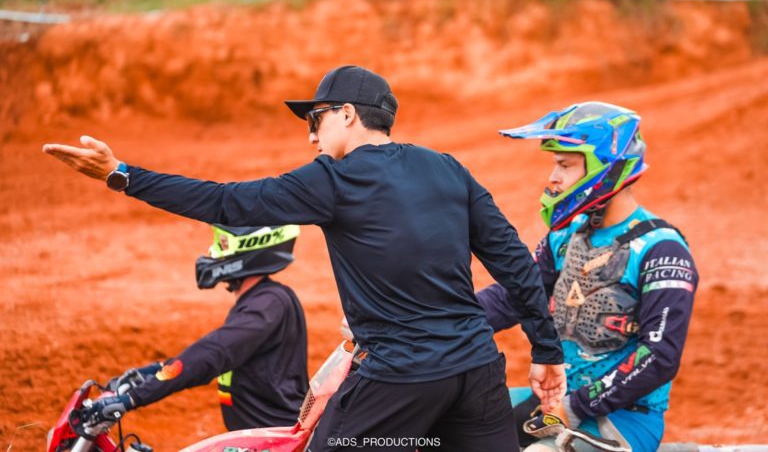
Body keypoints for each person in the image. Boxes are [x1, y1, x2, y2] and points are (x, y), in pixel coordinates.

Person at [43, 65, 566, 452]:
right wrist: (545, 350)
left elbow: (227, 202)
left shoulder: (333, 179)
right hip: (476, 370)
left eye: (316, 118)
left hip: (400, 377)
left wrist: (123, 175)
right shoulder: (449, 168)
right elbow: (515, 264)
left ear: (347, 114)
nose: (312, 134)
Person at [476, 102, 698, 452]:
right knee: (450, 420)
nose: (553, 177)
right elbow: (514, 296)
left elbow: (660, 355)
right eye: (554, 165)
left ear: (605, 169)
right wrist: (424, 324)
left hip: (626, 418)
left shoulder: (661, 250)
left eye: (564, 165)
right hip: (559, 404)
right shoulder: (565, 236)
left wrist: (574, 408)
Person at [82, 223, 309, 431]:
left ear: (251, 251)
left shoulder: (267, 305)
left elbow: (212, 354)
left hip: (274, 439)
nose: (214, 252)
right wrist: (152, 373)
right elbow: (218, 355)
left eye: (223, 244)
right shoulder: (264, 301)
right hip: (262, 436)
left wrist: (133, 398)